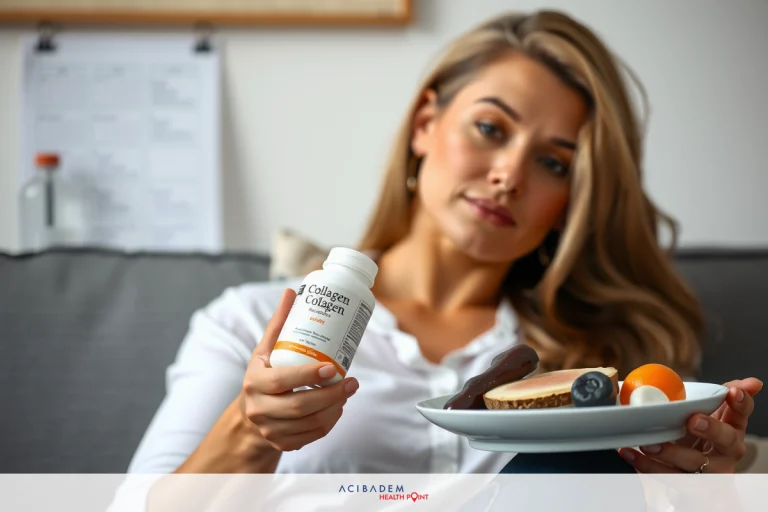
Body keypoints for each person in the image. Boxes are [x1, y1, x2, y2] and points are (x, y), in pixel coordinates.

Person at [126, 9, 761, 484]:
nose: (509, 174)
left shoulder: (605, 354)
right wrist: (251, 430)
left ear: (576, 199)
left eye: (554, 163)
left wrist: (696, 492)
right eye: (491, 128)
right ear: (426, 125)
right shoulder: (254, 321)